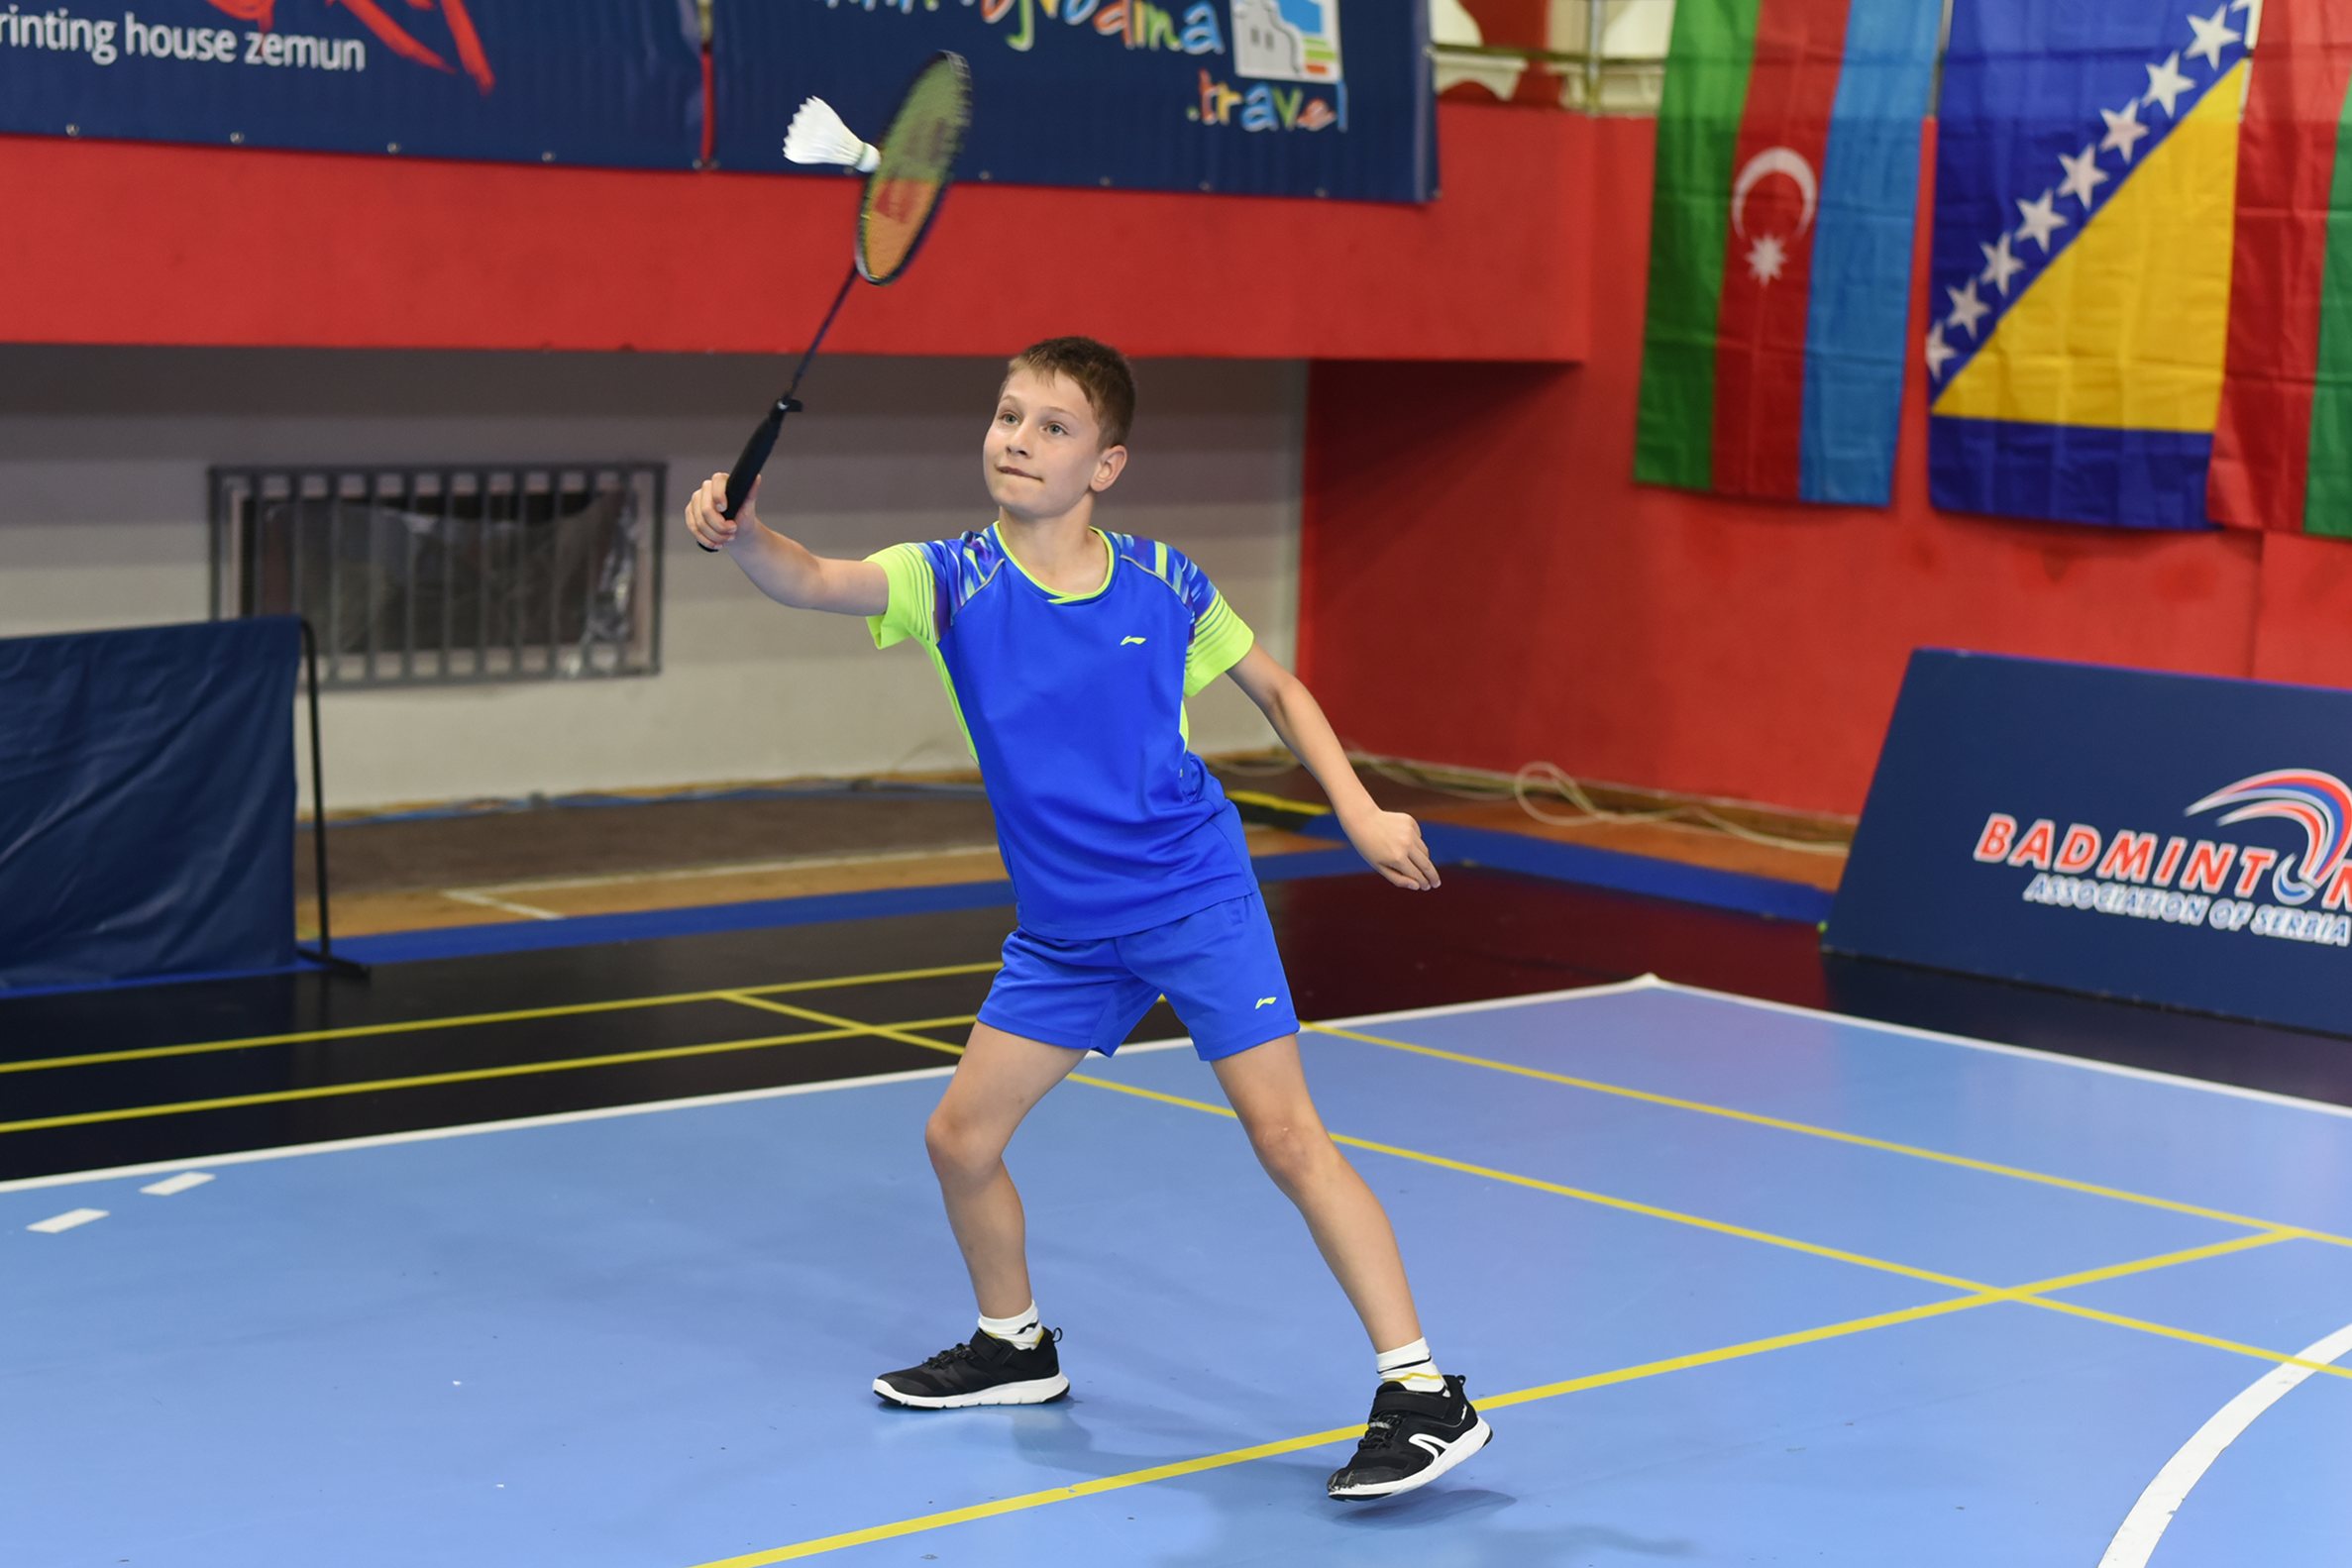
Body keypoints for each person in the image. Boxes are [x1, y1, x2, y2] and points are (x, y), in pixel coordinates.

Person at [683, 336, 1490, 1501]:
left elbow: (1277, 686)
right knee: (960, 1138)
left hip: (1192, 896)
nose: (1017, 440)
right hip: (1066, 929)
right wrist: (746, 533)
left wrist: (1357, 810)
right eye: (1007, 415)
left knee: (1286, 1138)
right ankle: (1014, 1343)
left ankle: (1421, 1391)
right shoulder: (948, 577)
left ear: (1104, 464)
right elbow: (812, 577)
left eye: (1051, 426)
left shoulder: (1162, 582)